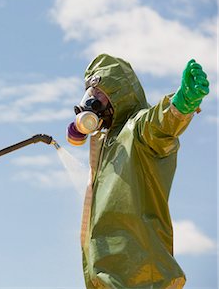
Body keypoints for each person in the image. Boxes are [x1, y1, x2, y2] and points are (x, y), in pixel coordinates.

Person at [66, 54, 210, 288]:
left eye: (101, 93)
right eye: (90, 93)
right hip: (107, 280)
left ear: (120, 94)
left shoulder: (137, 131)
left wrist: (181, 104)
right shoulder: (105, 148)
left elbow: (159, 125)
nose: (93, 101)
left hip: (143, 279)